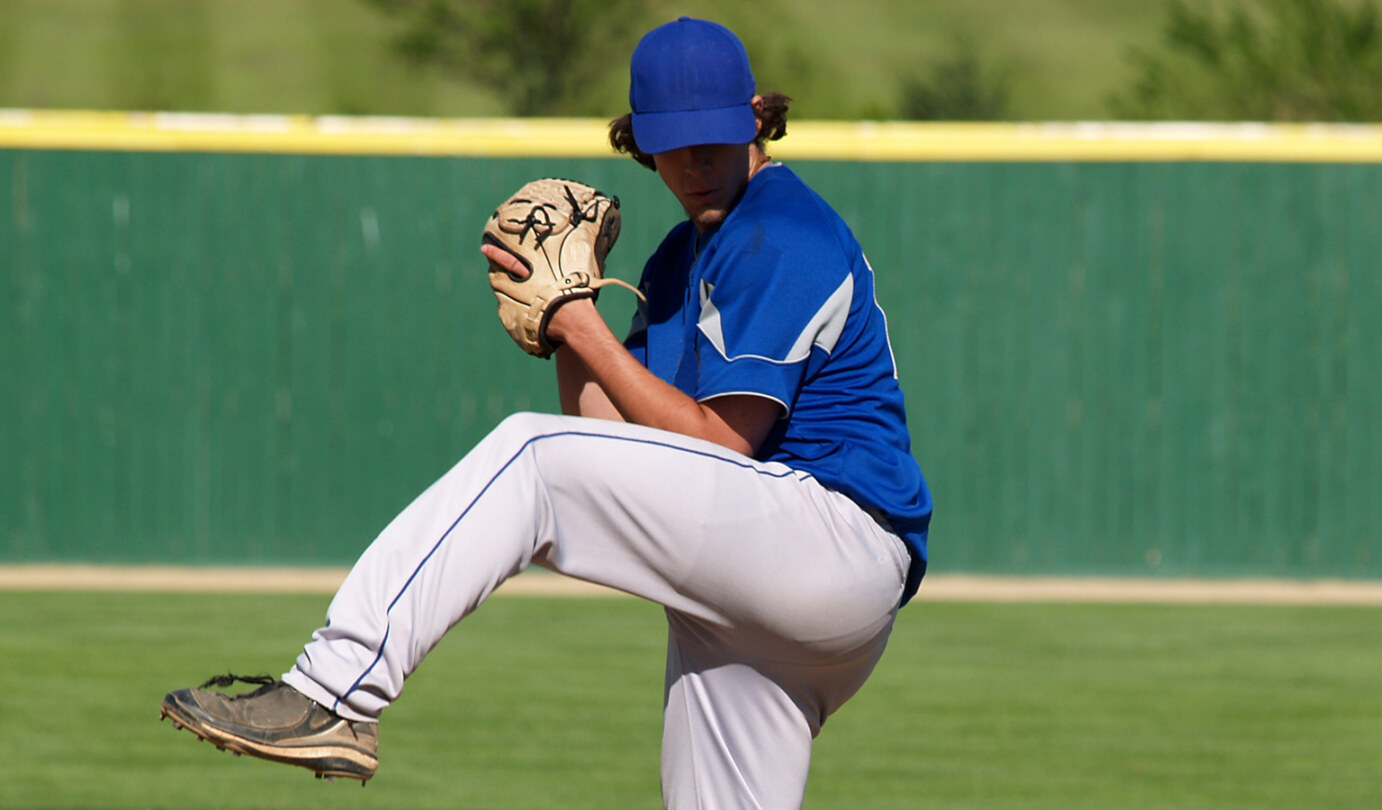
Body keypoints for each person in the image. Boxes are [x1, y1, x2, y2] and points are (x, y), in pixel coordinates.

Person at [160, 16, 930, 810]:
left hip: (831, 538)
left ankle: (333, 692)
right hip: (760, 595)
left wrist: (583, 324)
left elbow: (720, 442)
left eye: (715, 140)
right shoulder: (679, 258)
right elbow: (609, 439)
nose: (695, 164)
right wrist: (563, 317)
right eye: (675, 144)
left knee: (529, 455)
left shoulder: (781, 228)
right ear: (641, 143)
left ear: (757, 120)